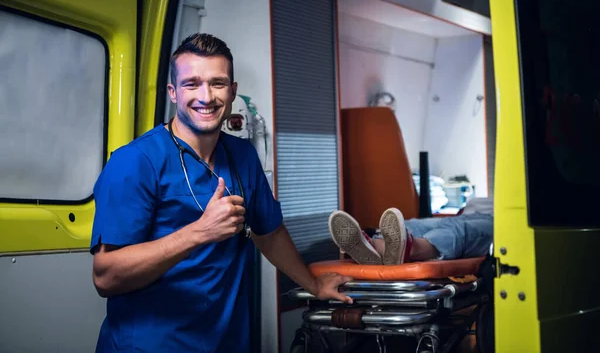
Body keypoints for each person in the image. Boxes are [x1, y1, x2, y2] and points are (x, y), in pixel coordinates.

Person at [90, 33, 352, 352]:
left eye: (217, 83)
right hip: (152, 344)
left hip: (227, 341)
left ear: (232, 91)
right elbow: (105, 276)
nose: (206, 96)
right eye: (192, 84)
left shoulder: (242, 155)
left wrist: (313, 284)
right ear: (173, 92)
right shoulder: (135, 162)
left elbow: (269, 233)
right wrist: (199, 232)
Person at [328, 197, 494, 265]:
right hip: (467, 213)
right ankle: (377, 245)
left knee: (458, 230)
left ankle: (410, 249)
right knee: (413, 225)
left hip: (501, 220)